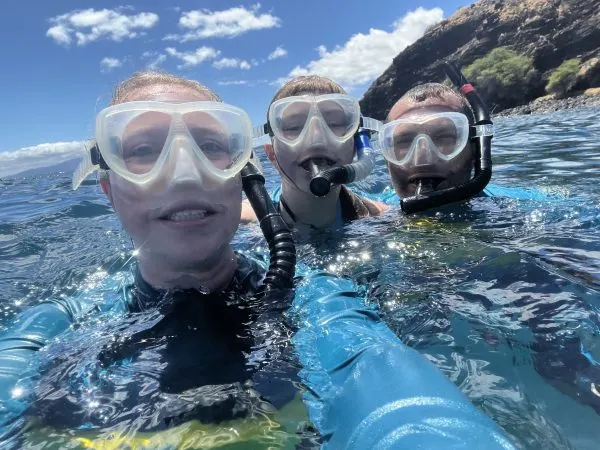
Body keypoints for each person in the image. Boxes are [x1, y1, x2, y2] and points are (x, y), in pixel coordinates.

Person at [0, 71, 515, 449]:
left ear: (243, 172)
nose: (184, 174)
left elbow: (405, 409)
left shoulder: (314, 298)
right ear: (108, 189)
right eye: (142, 150)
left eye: (209, 145)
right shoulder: (58, 322)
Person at [370, 62, 547, 214]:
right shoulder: (373, 211)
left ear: (475, 149)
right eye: (404, 141)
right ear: (387, 157)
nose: (422, 158)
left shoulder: (527, 207)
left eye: (443, 137)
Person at [241, 75, 387, 231]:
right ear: (271, 154)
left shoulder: (380, 217)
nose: (316, 139)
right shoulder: (243, 221)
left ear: (355, 148)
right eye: (293, 127)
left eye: (334, 123)